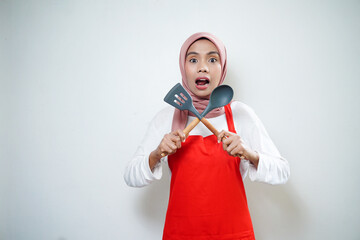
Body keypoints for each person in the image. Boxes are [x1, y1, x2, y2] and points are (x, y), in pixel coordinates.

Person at [124, 32, 290, 240]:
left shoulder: (240, 114)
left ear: (222, 68)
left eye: (212, 59)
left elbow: (282, 171)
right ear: (183, 68)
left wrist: (249, 154)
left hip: (233, 234)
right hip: (181, 235)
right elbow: (130, 176)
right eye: (193, 59)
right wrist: (156, 154)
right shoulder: (167, 117)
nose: (202, 67)